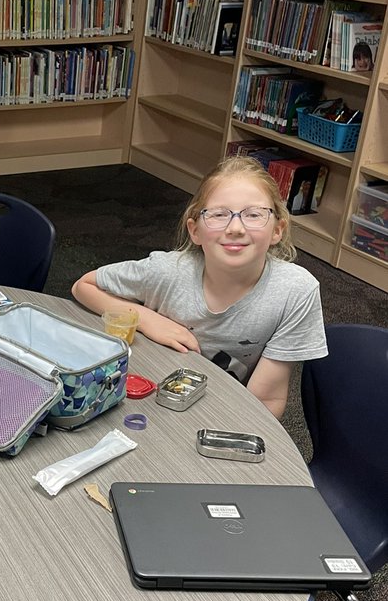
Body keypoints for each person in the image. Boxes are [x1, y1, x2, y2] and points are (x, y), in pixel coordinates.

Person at [71, 156, 327, 419]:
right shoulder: (167, 271)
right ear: (195, 231)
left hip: (228, 413)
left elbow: (266, 399)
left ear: (277, 230)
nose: (236, 228)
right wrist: (147, 320)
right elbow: (84, 286)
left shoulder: (295, 291)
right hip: (147, 402)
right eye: (218, 214)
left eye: (253, 215)